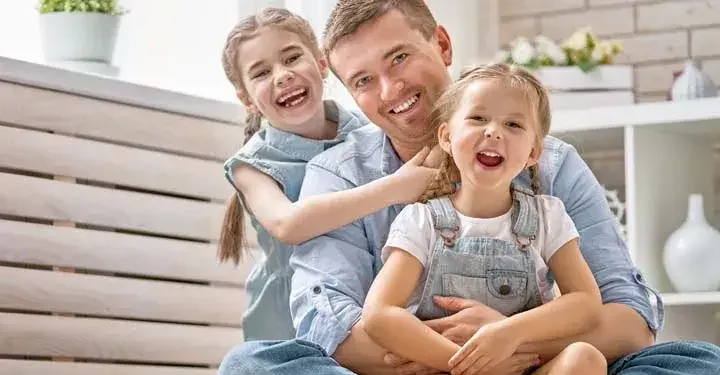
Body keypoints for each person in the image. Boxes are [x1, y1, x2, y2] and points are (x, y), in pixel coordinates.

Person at [218, 1, 720, 374]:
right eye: (364, 81)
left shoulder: (554, 164)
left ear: (441, 45)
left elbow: (628, 318)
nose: (390, 91)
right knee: (254, 366)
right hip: (408, 367)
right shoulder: (338, 174)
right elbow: (333, 328)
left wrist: (506, 341)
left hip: (537, 362)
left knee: (697, 363)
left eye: (399, 58)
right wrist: (469, 360)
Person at [362, 63, 606, 375]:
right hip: (449, 368)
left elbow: (586, 302)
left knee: (585, 358)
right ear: (447, 137)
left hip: (518, 366)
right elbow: (378, 315)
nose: (493, 131)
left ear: (533, 152)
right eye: (478, 118)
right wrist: (471, 364)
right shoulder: (422, 220)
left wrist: (508, 333)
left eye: (514, 125)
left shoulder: (548, 216)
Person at [217, 6, 438, 343]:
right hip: (289, 322)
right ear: (246, 98)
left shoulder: (365, 126)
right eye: (261, 73)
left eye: (291, 58)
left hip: (363, 298)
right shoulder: (252, 165)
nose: (282, 76)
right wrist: (395, 188)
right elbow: (288, 224)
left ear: (322, 65)